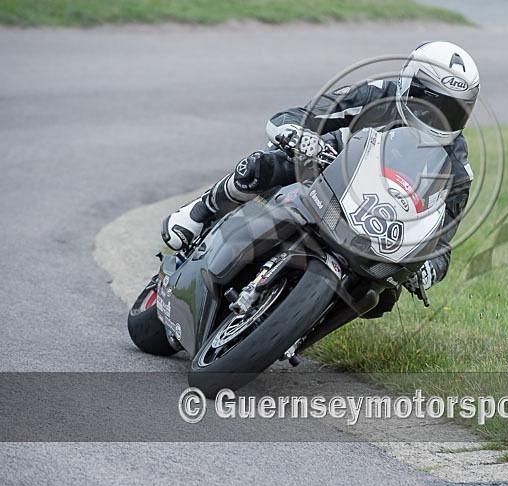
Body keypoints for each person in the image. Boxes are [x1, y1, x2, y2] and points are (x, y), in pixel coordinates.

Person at [161, 40, 479, 317]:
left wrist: (427, 270)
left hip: (380, 230)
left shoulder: (457, 168)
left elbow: (443, 243)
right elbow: (309, 113)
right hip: (337, 169)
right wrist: (297, 134)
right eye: (428, 103)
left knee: (379, 299)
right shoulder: (377, 94)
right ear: (407, 84)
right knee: (263, 166)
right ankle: (199, 213)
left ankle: (300, 324)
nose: (436, 118)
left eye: (453, 111)